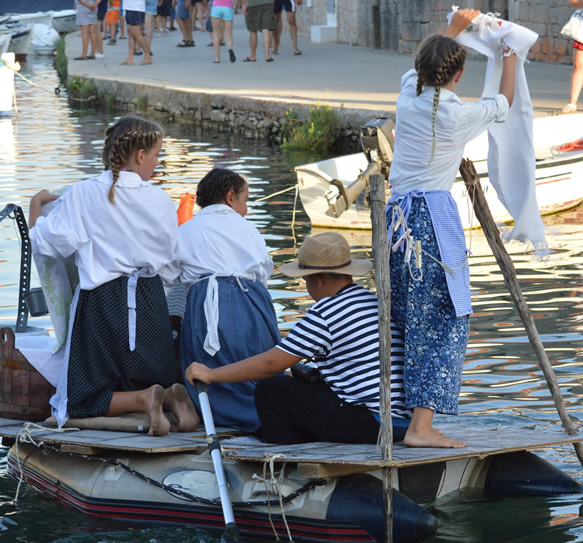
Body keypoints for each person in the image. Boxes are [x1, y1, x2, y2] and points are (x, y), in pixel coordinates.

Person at [385, 8, 518, 449]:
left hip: (396, 220)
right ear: (458, 76)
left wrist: (456, 27)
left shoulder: (409, 94)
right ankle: (420, 427)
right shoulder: (456, 115)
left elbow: (425, 61)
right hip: (430, 223)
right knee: (443, 320)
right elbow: (505, 102)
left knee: (407, 317)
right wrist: (511, 54)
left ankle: (408, 417)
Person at [27, 116, 199, 437]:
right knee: (144, 373)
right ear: (140, 155)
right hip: (149, 303)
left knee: (78, 398)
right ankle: (169, 398)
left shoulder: (84, 193)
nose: (158, 163)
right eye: (157, 155)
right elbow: (170, 261)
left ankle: (147, 399)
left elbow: (47, 243)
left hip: (103, 302)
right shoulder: (160, 199)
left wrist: (36, 204)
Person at [186, 233, 412, 444]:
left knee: (270, 388)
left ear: (318, 280)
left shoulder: (327, 311)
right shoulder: (371, 301)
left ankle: (284, 450)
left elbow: (269, 364)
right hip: (400, 421)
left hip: (373, 424)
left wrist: (212, 374)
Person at [173, 168, 278, 432]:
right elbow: (264, 270)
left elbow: (170, 273)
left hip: (207, 304)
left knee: (208, 361)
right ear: (230, 197)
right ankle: (267, 411)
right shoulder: (250, 230)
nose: (246, 208)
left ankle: (221, 414)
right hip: (253, 303)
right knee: (255, 358)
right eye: (245, 200)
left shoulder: (187, 230)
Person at [121, 0, 151, 64]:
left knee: (136, 32)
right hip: (128, 7)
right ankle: (130, 58)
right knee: (130, 33)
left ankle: (148, 56)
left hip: (137, 7)